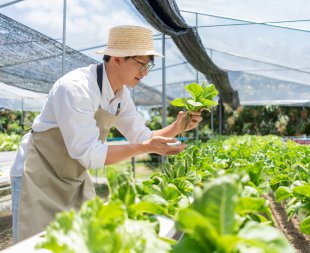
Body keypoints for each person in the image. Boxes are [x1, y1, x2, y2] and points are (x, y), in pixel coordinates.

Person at [10, 25, 202, 242]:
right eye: (141, 64)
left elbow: (143, 137)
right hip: (37, 177)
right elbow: (90, 154)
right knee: (34, 244)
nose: (145, 72)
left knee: (79, 241)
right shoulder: (76, 88)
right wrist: (145, 148)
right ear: (118, 59)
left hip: (73, 178)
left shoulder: (121, 95)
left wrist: (178, 126)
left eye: (149, 65)